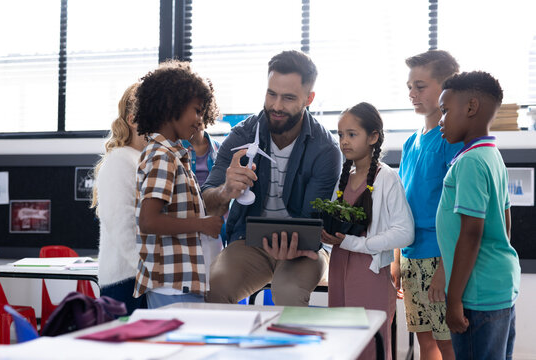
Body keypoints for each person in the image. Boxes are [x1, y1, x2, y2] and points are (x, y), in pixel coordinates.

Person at [202, 50, 342, 306]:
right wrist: (225, 191)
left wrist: (295, 243)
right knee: (214, 286)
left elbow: (314, 222)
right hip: (249, 242)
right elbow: (207, 204)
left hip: (304, 250)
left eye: (288, 98)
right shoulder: (240, 136)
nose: (276, 106)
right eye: (271, 94)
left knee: (288, 291)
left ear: (309, 98)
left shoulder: (326, 150)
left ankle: (289, 347)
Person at [436, 71, 521, 359]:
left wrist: (455, 299)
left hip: (477, 296)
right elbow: (506, 218)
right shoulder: (491, 154)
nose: (440, 120)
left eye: (445, 110)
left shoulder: (471, 162)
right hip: (498, 285)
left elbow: (471, 234)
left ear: (471, 108)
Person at [321, 102, 414, 360]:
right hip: (339, 267)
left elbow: (405, 232)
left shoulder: (387, 178)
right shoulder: (344, 178)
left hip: (370, 271)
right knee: (343, 342)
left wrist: (356, 244)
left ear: (373, 137)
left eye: (352, 134)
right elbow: (339, 228)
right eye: (340, 135)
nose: (344, 141)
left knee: (370, 346)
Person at [132, 60, 224, 308]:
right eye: (196, 110)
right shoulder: (162, 157)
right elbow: (148, 220)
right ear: (171, 105)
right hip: (172, 287)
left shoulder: (172, 155)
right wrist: (201, 225)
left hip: (182, 283)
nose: (199, 119)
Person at [392, 50, 462, 359]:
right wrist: (396, 258)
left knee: (448, 342)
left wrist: (446, 270)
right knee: (424, 341)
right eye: (410, 86)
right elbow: (401, 209)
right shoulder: (410, 143)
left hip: (440, 258)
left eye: (420, 86)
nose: (412, 93)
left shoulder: (452, 141)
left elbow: (460, 212)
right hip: (410, 258)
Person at [91, 83, 148, 315]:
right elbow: (121, 224)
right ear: (134, 120)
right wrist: (149, 272)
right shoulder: (121, 161)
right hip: (126, 281)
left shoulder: (142, 159)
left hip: (137, 278)